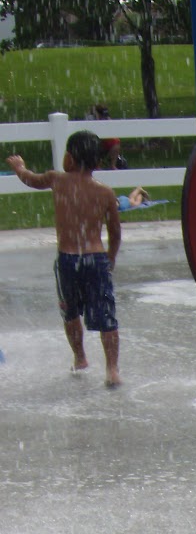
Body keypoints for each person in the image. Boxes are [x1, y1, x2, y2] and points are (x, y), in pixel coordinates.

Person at [5, 130, 121, 386]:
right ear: (98, 163)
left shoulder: (57, 179)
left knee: (70, 313)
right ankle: (112, 369)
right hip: (95, 259)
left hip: (68, 259)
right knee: (106, 315)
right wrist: (110, 258)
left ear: (68, 158)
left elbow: (30, 180)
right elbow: (115, 232)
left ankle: (80, 357)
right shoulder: (105, 193)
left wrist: (19, 167)